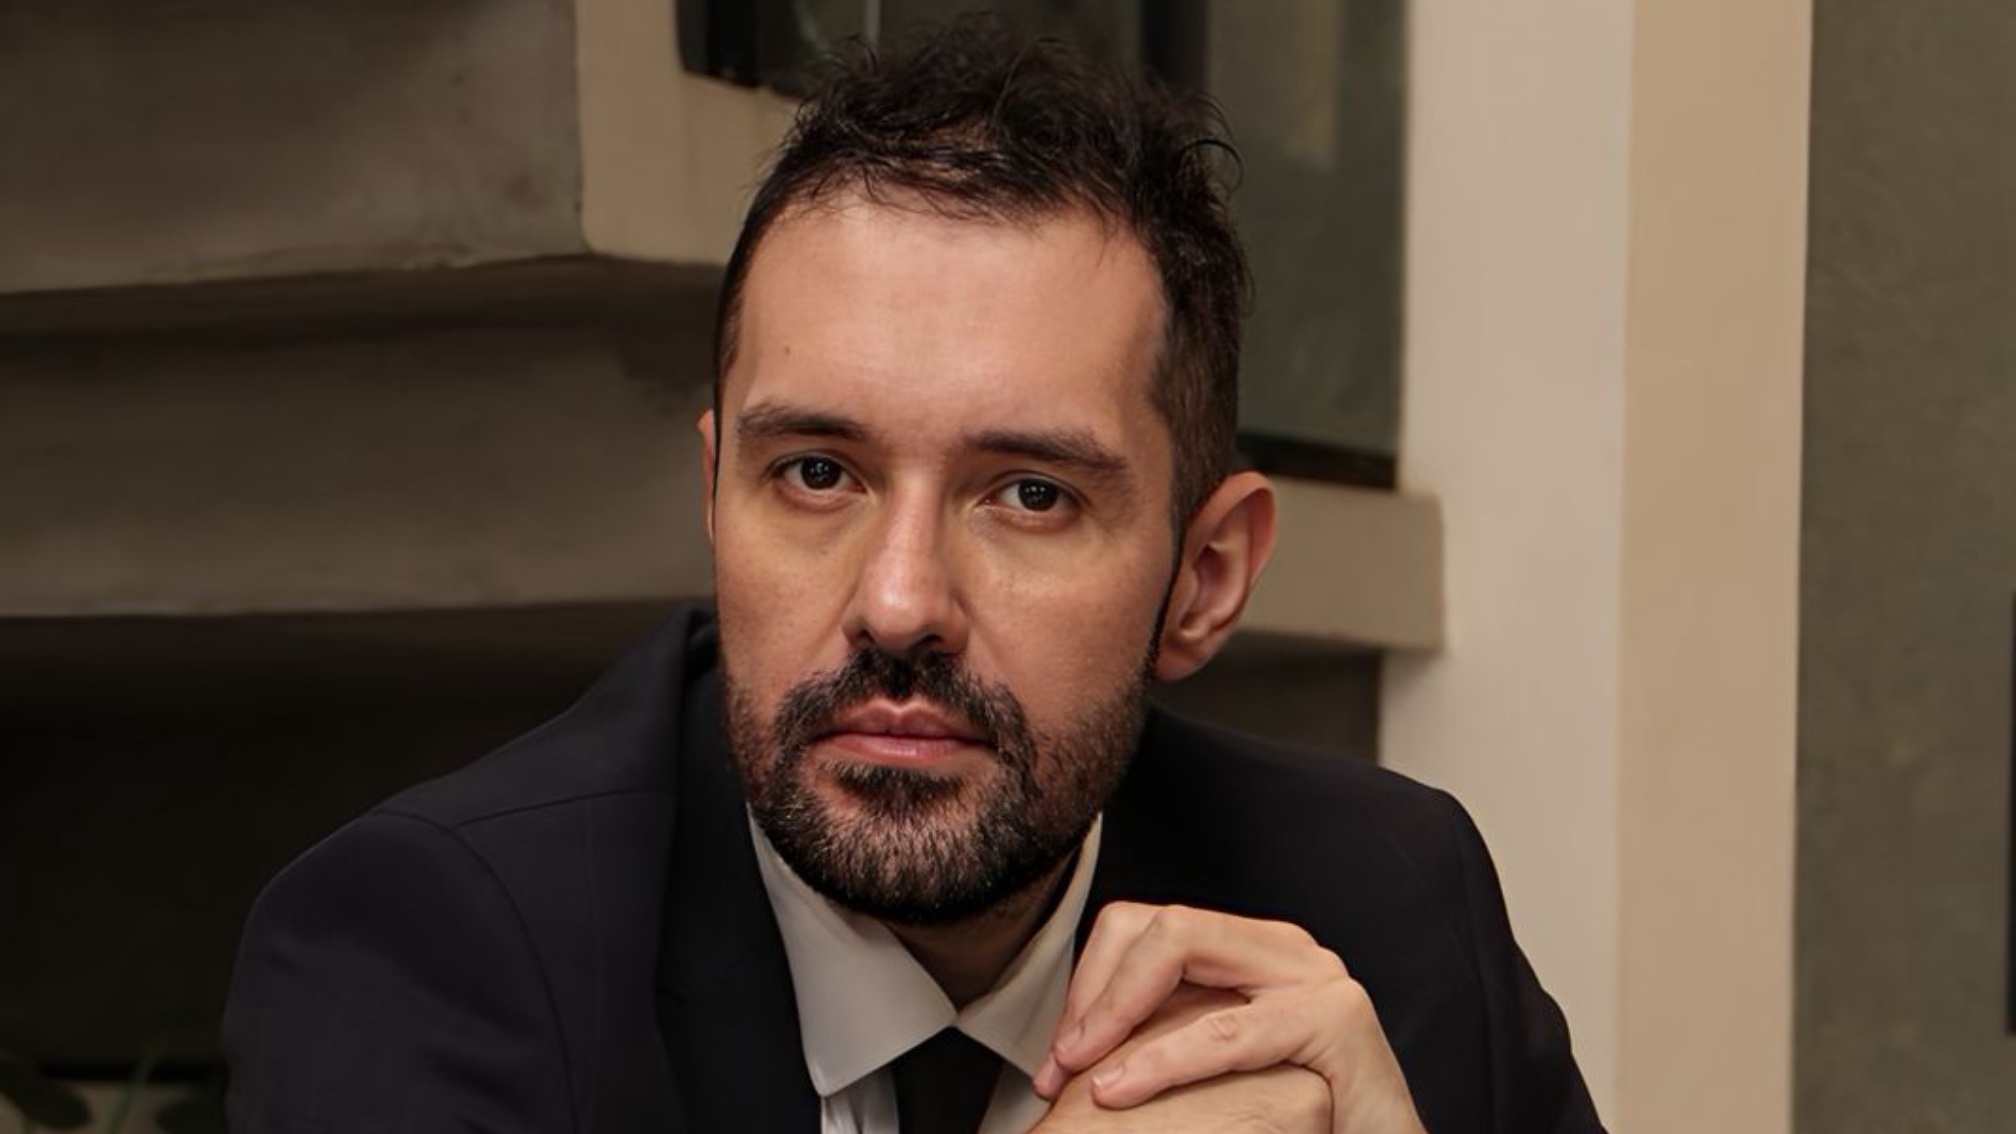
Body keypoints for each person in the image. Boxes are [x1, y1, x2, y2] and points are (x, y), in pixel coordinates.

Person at [224, 20, 1603, 1134]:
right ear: (714, 495)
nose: (897, 605)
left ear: (1204, 577)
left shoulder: (1385, 912)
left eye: (1030, 494)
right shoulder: (435, 949)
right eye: (817, 472)